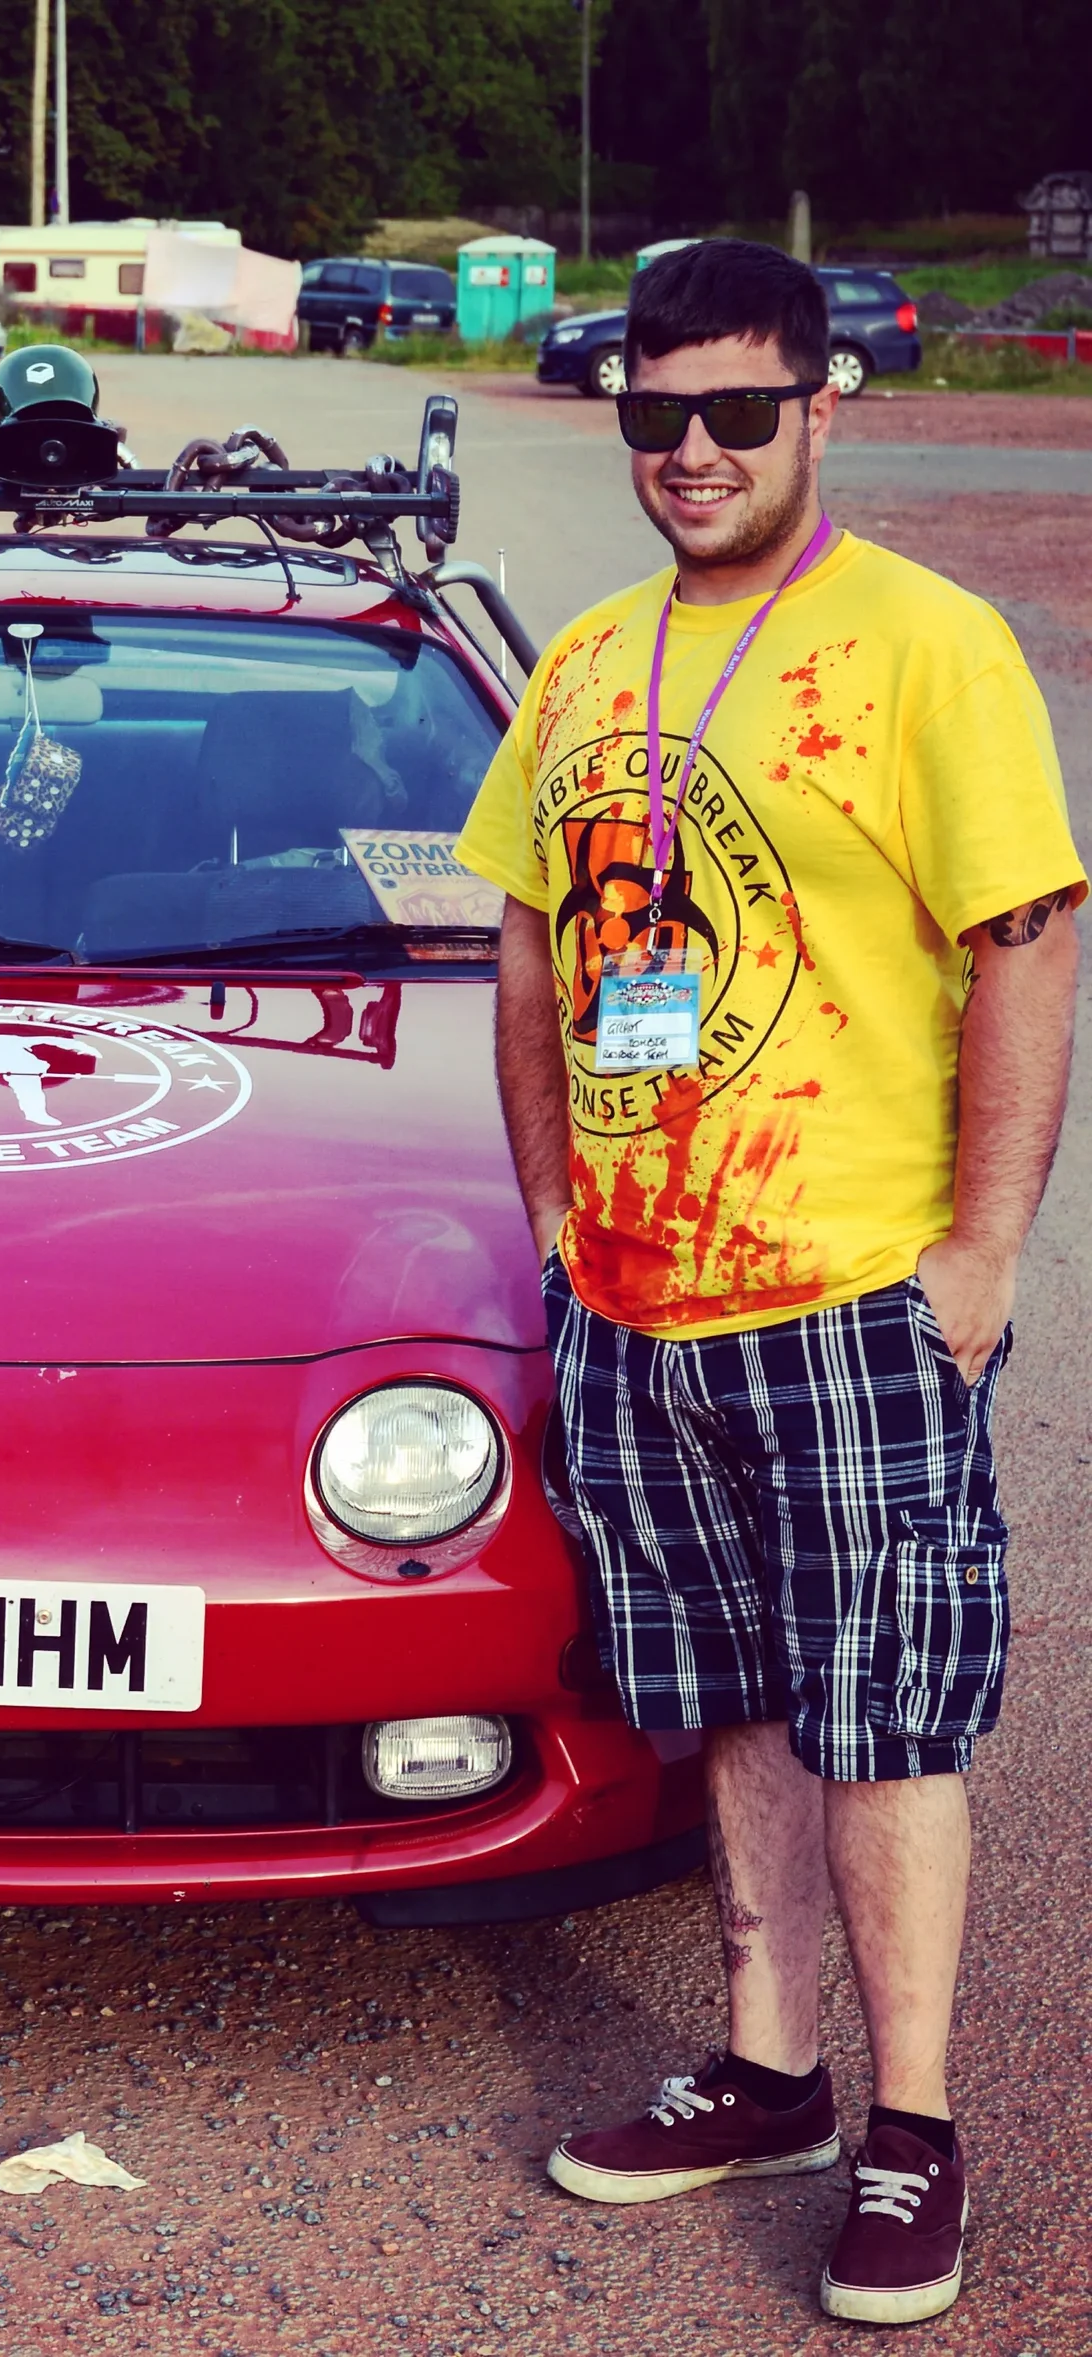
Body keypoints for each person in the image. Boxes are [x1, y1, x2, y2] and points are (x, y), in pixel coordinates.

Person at [457, 238, 1081, 2326]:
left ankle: (911, 2130)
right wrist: (552, 1211)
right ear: (616, 418)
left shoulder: (925, 648)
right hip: (635, 1298)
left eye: (737, 409)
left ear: (822, 405)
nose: (692, 449)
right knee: (728, 1696)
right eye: (655, 414)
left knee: (881, 1710)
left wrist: (978, 1251)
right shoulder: (580, 666)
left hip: (847, 1289)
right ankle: (764, 2070)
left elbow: (1021, 942)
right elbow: (531, 948)